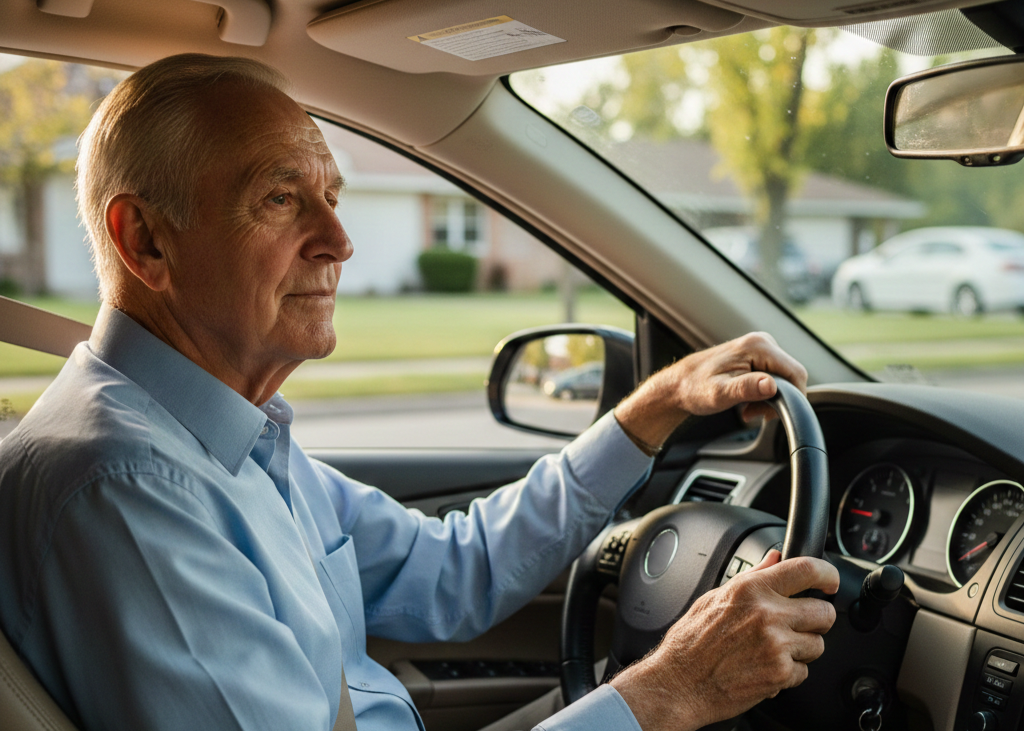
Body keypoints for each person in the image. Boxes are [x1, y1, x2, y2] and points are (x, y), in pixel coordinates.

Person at [0, 54, 838, 731]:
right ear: (145, 239)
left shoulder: (217, 435)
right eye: (280, 198)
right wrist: (670, 690)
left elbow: (449, 570)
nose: (338, 240)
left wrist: (651, 409)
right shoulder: (130, 489)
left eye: (330, 197)